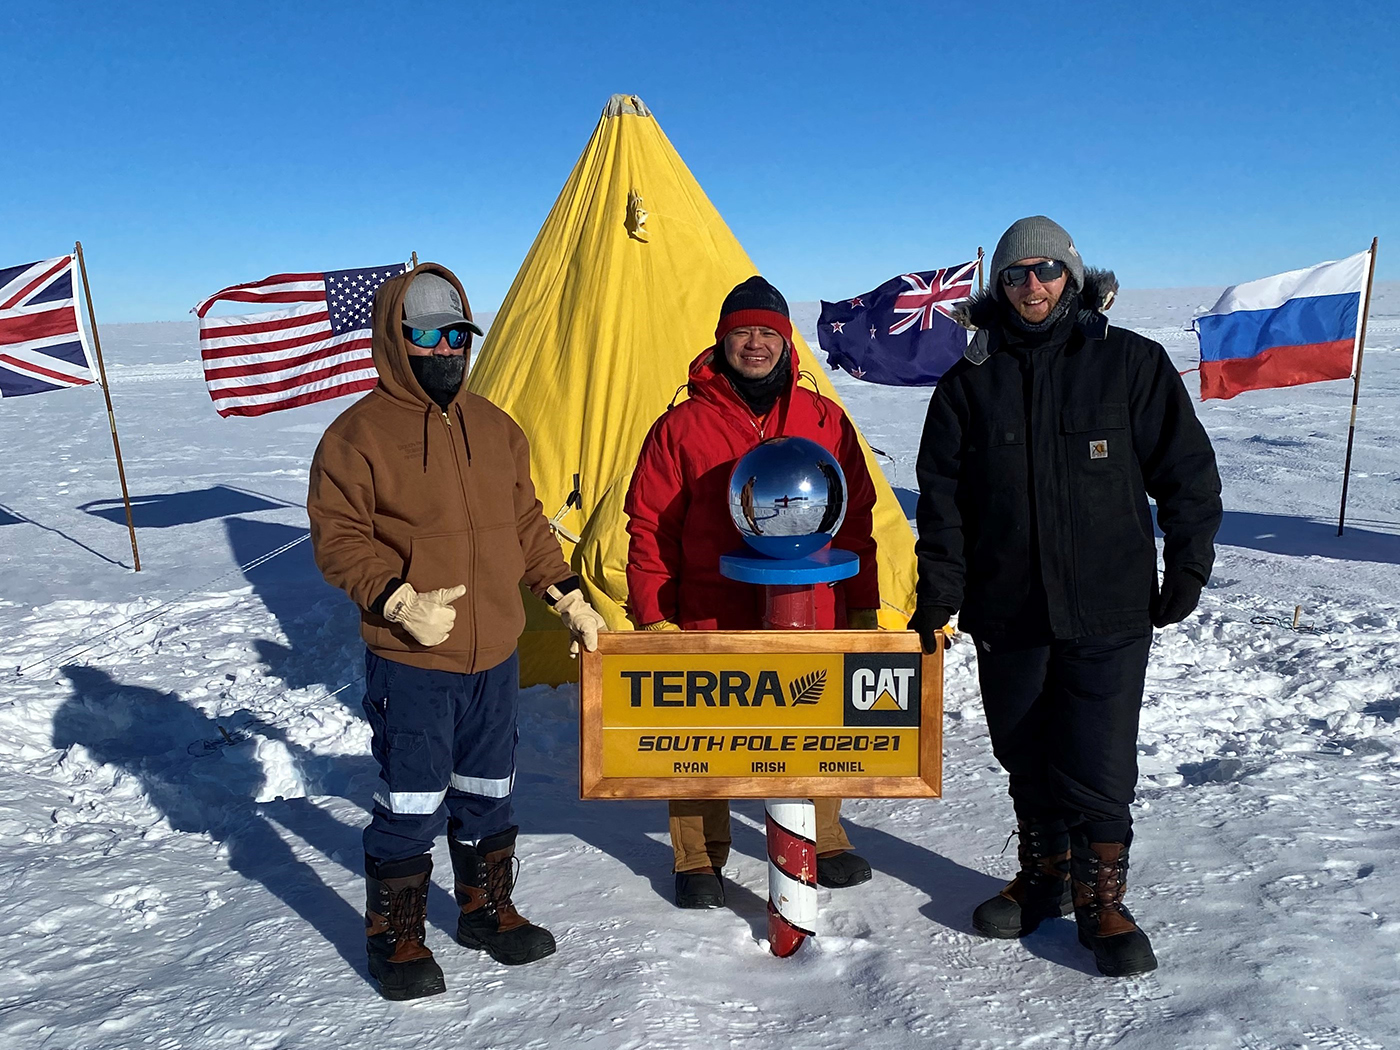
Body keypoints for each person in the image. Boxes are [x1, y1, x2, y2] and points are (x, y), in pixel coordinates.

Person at [911, 217, 1222, 977]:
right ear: (999, 286)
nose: (1033, 286)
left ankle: (1102, 899)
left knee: (1099, 757)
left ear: (1072, 276)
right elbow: (944, 503)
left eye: (1047, 271)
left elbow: (1185, 470)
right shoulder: (968, 382)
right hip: (1008, 608)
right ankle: (1043, 875)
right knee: (1025, 749)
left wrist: (1188, 562)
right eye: (1017, 275)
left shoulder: (1129, 364)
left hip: (1108, 606)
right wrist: (940, 593)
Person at [308, 264, 607, 1000]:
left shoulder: (497, 427)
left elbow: (527, 526)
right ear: (397, 340)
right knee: (411, 797)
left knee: (489, 790)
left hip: (493, 655)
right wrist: (397, 600)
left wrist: (567, 594)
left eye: (458, 336)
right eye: (429, 337)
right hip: (414, 659)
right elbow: (339, 539)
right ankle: (396, 932)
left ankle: (484, 908)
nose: (447, 350)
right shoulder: (355, 437)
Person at [625, 276, 881, 909]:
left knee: (815, 723)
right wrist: (655, 614)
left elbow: (856, 519)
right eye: (743, 332)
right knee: (699, 737)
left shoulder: (823, 419)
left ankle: (823, 837)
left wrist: (862, 605)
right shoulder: (680, 427)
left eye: (769, 332)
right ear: (722, 341)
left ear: (787, 342)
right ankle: (698, 855)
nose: (757, 344)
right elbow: (651, 524)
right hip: (711, 607)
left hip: (809, 606)